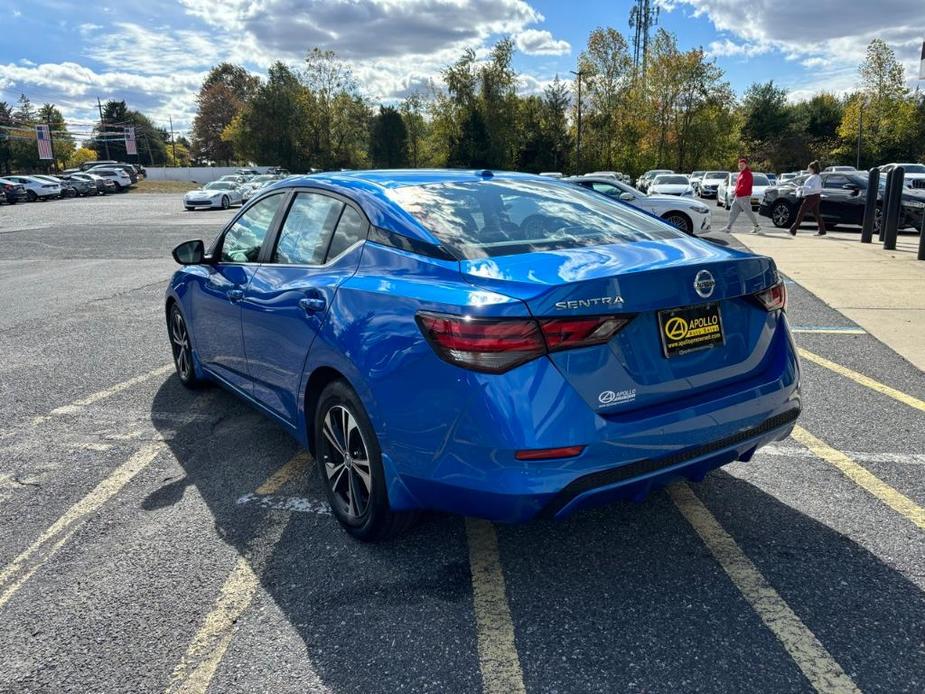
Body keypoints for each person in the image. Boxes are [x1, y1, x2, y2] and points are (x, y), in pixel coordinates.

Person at [722, 157, 761, 234]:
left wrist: (735, 192)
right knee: (733, 211)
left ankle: (757, 226)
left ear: (746, 165)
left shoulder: (748, 174)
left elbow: (744, 186)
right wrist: (735, 191)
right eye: (739, 165)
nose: (741, 166)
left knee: (749, 212)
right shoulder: (741, 173)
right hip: (738, 197)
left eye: (742, 165)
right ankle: (728, 228)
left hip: (744, 197)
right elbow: (739, 185)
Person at [789, 161, 825, 236]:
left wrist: (802, 187)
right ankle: (822, 230)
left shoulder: (815, 177)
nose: (807, 169)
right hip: (814, 196)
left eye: (808, 168)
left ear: (812, 169)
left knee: (801, 212)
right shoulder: (815, 176)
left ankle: (793, 229)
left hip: (812, 197)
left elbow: (813, 188)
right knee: (816, 213)